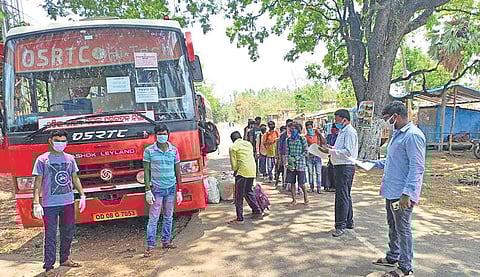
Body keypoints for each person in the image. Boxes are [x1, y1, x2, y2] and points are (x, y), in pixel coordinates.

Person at [370, 101, 425, 277]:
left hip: (402, 194)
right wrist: (370, 164)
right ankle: (393, 256)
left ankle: (405, 267)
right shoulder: (397, 135)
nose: (386, 122)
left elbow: (417, 167)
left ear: (396, 116)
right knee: (393, 225)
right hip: (391, 191)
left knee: (403, 228)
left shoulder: (412, 136)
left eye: (387, 119)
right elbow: (392, 161)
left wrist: (407, 193)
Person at [32, 130, 86, 277]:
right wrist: (36, 203)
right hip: (50, 204)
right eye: (57, 140)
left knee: (68, 231)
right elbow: (37, 183)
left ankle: (65, 259)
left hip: (68, 201)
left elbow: (75, 178)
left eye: (63, 141)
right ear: (51, 141)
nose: (60, 143)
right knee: (50, 235)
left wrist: (82, 195)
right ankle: (49, 267)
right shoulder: (42, 160)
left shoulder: (70, 159)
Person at [143, 124, 183, 257]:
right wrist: (147, 190)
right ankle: (150, 245)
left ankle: (166, 241)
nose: (162, 136)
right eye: (159, 134)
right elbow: (146, 171)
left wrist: (179, 190)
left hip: (171, 188)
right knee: (153, 218)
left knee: (168, 217)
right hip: (156, 189)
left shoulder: (174, 150)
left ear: (168, 134)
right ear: (155, 136)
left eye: (164, 133)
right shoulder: (149, 151)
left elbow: (177, 170)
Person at [320, 109, 358, 237]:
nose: (335, 123)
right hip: (340, 165)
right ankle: (348, 221)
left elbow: (348, 152)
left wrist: (331, 152)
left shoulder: (350, 132)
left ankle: (340, 225)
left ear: (344, 120)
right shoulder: (343, 132)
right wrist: (331, 148)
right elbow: (341, 149)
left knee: (341, 196)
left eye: (337, 120)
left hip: (345, 166)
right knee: (345, 194)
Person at [228, 131, 263, 224]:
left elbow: (234, 165)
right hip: (252, 170)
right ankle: (257, 210)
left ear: (232, 139)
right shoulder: (248, 144)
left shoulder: (233, 147)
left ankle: (240, 218)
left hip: (242, 172)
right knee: (248, 191)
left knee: (239, 195)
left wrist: (235, 171)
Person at [286, 122, 309, 206]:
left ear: (298, 129)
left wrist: (297, 158)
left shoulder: (302, 139)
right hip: (292, 164)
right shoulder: (288, 140)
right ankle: (294, 200)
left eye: (294, 128)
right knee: (292, 182)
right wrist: (288, 160)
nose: (292, 130)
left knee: (301, 183)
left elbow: (306, 151)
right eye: (291, 128)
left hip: (300, 164)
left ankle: (306, 198)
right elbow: (287, 151)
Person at [304, 121, 326, 193]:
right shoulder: (306, 137)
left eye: (310, 128)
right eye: (307, 128)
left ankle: (319, 187)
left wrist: (319, 133)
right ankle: (311, 187)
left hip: (317, 156)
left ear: (312, 127)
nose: (309, 129)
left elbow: (324, 142)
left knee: (318, 172)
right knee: (310, 172)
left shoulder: (317, 135)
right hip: (309, 157)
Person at [276, 119, 293, 189]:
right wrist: (279, 156)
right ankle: (286, 184)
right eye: (288, 125)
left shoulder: (294, 133)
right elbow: (280, 146)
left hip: (293, 154)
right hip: (284, 154)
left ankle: (291, 184)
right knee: (285, 169)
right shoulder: (283, 135)